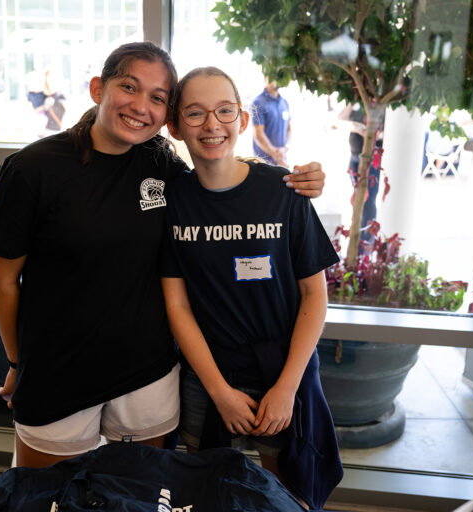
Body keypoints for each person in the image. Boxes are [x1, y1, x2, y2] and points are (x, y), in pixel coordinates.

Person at [0, 42, 326, 470]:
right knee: (44, 498)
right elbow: (1, 280)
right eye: (129, 86)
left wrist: (290, 181)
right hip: (58, 371)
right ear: (98, 88)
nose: (141, 105)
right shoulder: (33, 169)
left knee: (142, 494)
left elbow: (217, 174)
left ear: (166, 117)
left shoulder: (159, 163)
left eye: (158, 97)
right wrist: (18, 361)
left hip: (146, 372)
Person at [161, 66, 342, 511]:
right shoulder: (173, 200)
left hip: (282, 372)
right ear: (176, 126)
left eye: (225, 111)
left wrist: (285, 388)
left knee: (285, 495)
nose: (212, 125)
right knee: (209, 495)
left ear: (243, 120)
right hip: (208, 377)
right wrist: (220, 391)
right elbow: (177, 305)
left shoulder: (283, 191)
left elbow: (315, 296)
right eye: (196, 113)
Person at [338, 102, 383, 247]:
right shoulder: (358, 103)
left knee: (368, 201)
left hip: (370, 161)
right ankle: (357, 240)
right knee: (357, 198)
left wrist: (368, 133)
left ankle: (366, 242)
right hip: (355, 157)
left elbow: (385, 132)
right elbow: (341, 117)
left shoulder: (381, 106)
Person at [251, 75, 291, 166]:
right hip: (263, 164)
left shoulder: (284, 103)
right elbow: (259, 135)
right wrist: (275, 154)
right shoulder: (257, 103)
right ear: (266, 78)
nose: (276, 79)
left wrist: (285, 149)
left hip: (282, 160)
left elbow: (289, 130)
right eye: (272, 75)